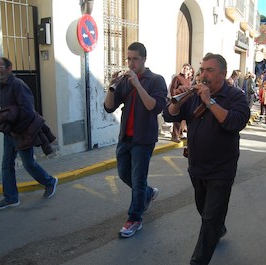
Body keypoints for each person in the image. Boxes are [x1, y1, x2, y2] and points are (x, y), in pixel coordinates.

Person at [163, 53, 250, 265]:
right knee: (204, 209)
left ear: (223, 73)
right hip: (197, 166)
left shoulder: (235, 96)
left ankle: (198, 260)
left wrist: (209, 101)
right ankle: (219, 227)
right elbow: (169, 115)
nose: (203, 75)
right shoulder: (193, 94)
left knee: (209, 219)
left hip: (222, 169)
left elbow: (234, 122)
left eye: (209, 70)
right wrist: (179, 98)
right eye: (202, 70)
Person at [104, 42, 167, 238]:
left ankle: (134, 219)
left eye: (135, 59)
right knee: (124, 174)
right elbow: (108, 108)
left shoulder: (156, 80)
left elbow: (154, 107)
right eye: (128, 59)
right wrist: (112, 87)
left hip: (143, 138)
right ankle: (148, 193)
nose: (131, 63)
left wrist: (137, 84)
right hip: (126, 137)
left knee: (138, 179)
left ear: (144, 59)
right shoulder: (125, 80)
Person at [0, 57, 58, 210]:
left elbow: (27, 111)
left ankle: (50, 181)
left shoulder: (18, 85)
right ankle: (11, 198)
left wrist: (16, 129)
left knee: (28, 164)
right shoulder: (0, 88)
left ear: (9, 68)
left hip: (22, 132)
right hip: (10, 133)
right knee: (6, 165)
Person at [169, 63, 192, 142]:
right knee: (177, 119)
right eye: (184, 68)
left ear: (189, 70)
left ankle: (181, 133)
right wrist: (173, 98)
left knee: (183, 119)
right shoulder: (177, 77)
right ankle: (175, 136)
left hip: (185, 101)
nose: (185, 70)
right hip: (177, 100)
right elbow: (172, 88)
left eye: (187, 69)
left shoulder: (188, 79)